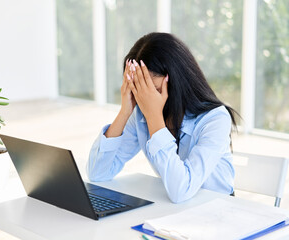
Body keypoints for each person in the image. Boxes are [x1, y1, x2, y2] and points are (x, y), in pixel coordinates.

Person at [86, 32, 238, 203]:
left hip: (216, 209)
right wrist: (125, 111)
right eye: (139, 89)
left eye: (155, 90)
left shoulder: (215, 119)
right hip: (175, 211)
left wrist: (154, 118)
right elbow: (97, 173)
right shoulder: (141, 114)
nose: (146, 98)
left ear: (176, 81)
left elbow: (181, 190)